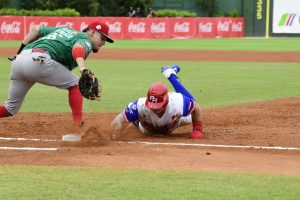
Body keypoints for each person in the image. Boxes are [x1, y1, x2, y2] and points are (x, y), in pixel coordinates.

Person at [0, 21, 114, 126]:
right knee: (75, 85)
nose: (103, 43)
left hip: (19, 61)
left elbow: (35, 29)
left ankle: (77, 124)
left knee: (10, 109)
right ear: (93, 33)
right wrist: (83, 69)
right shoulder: (85, 39)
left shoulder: (63, 30)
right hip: (39, 61)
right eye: (102, 38)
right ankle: (77, 125)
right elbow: (78, 48)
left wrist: (19, 52)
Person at [111, 65, 204, 139]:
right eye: (152, 105)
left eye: (158, 106)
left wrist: (197, 130)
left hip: (175, 121)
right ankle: (131, 109)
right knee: (134, 117)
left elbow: (196, 108)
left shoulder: (177, 102)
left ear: (166, 101)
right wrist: (114, 133)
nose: (155, 109)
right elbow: (119, 119)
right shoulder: (140, 105)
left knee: (192, 105)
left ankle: (171, 76)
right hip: (147, 127)